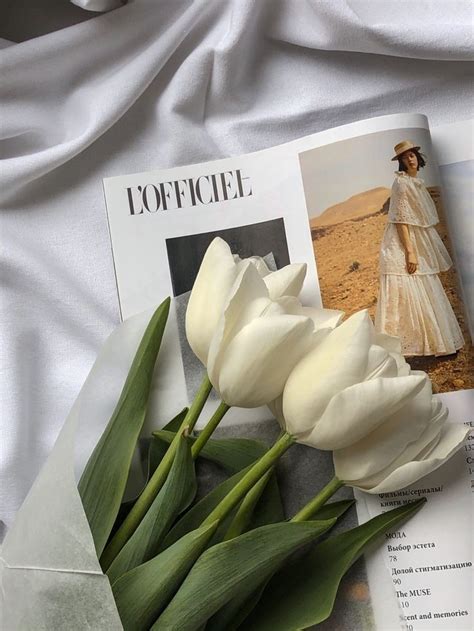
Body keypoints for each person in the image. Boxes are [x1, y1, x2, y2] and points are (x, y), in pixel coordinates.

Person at [375, 140, 464, 356]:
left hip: (418, 238)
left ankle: (436, 343)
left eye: (412, 155)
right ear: (401, 162)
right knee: (405, 288)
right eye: (405, 157)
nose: (410, 159)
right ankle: (397, 348)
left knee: (425, 286)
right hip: (403, 241)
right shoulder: (401, 183)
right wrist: (410, 252)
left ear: (418, 157)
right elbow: (400, 220)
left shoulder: (417, 183)